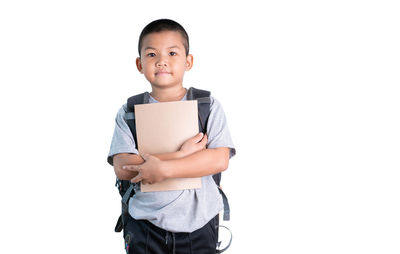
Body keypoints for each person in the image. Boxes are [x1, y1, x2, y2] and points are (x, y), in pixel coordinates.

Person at [107, 19, 236, 254]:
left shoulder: (207, 106)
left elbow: (219, 159)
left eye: (172, 53)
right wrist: (180, 155)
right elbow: (123, 167)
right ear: (139, 64)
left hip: (199, 224)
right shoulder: (129, 111)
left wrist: (164, 169)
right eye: (152, 54)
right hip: (146, 225)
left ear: (188, 62)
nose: (162, 61)